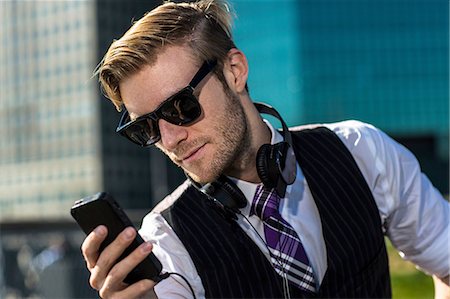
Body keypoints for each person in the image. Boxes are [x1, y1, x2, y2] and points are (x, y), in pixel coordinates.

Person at [81, 0, 450, 298]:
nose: (170, 138)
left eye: (180, 107)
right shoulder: (165, 241)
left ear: (235, 71)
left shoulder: (361, 151)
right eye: (146, 127)